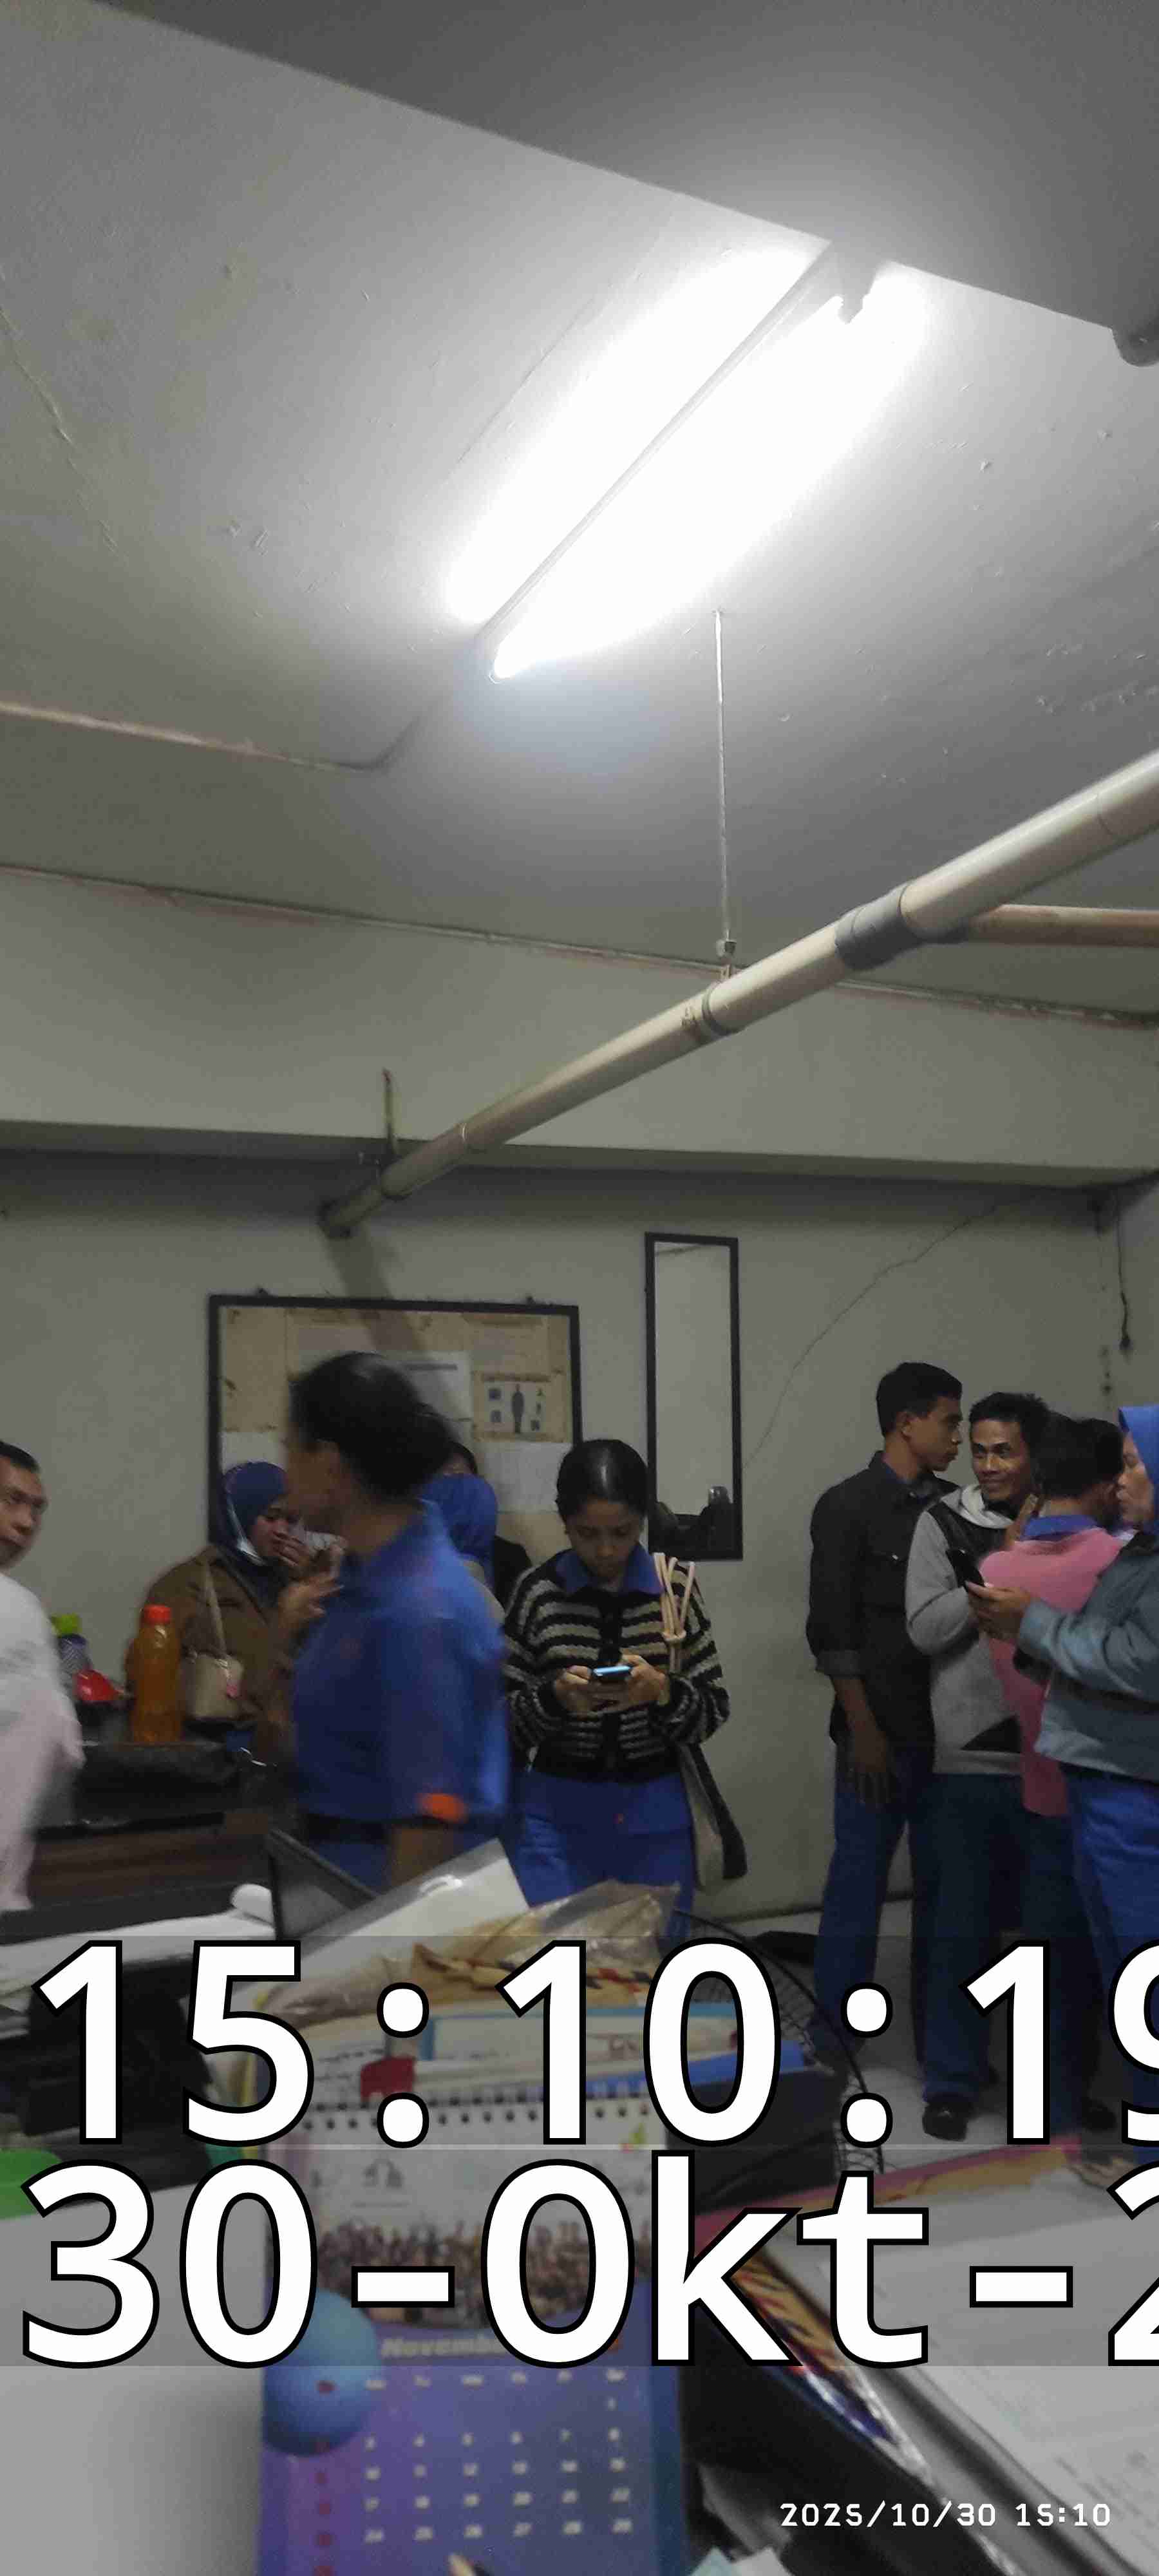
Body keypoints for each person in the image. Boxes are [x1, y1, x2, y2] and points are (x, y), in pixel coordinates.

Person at [971, 1405, 1159, 2179]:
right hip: (1097, 1780)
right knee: (1120, 1973)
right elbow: (1099, 1650)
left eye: (1134, 1465)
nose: (1120, 1482)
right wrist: (1036, 1641)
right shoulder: (1136, 1554)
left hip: (1135, 1790)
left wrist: (1034, 1622)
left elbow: (1139, 1662)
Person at [280, 1354, 509, 1889]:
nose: (285, 1472)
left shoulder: (424, 1609)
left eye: (290, 1449)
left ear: (330, 1465)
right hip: (330, 1878)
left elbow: (429, 1825)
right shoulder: (356, 1581)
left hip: (387, 1898)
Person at [503, 1437, 730, 1926]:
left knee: (652, 1959)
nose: (606, 1550)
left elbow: (713, 1708)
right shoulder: (537, 1594)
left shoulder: (674, 1591)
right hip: (555, 1821)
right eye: (587, 1533)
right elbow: (500, 1720)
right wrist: (555, 1700)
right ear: (565, 1522)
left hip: (655, 1819)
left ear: (642, 1521)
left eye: (622, 1532)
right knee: (558, 1959)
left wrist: (662, 1692)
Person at [807, 1362, 964, 2064]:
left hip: (947, 1736)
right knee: (857, 1888)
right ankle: (834, 2038)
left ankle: (942, 2044)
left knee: (943, 1896)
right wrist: (864, 1732)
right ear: (907, 1423)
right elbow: (832, 1633)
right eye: (948, 1421)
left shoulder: (956, 1509)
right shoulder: (847, 1506)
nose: (957, 1437)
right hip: (875, 1734)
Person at [907, 1388, 1050, 2137]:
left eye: (1005, 1451)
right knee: (960, 1932)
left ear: (1034, 1457)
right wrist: (999, 1567)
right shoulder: (941, 1521)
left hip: (1050, 1759)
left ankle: (1047, 2081)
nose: (989, 1464)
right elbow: (925, 1629)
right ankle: (953, 2081)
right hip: (968, 1758)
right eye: (982, 1449)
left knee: (1049, 1936)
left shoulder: (1069, 1523)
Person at [137, 1461, 313, 1752]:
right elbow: (145, 1673)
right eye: (271, 1517)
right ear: (238, 1515)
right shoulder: (188, 1583)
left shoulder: (295, 1580)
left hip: (290, 1740)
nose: (283, 1530)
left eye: (291, 1520)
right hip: (221, 1747)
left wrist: (311, 1580)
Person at [0, 1440, 82, 1909]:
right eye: (12, 1500)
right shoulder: (18, 1610)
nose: (27, 1523)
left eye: (36, 1509)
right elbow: (62, 1748)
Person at [442, 1442, 531, 1610]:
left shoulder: (512, 1557)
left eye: (460, 1478)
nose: (451, 1491)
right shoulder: (412, 1557)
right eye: (441, 1481)